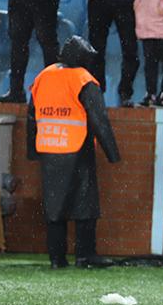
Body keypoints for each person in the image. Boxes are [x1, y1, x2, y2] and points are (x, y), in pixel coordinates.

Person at [26, 36, 121, 269]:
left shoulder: (43, 76)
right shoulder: (83, 79)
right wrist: (112, 153)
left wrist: (32, 150)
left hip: (49, 148)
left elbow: (31, 115)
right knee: (85, 203)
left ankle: (56, 258)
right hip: (78, 149)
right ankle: (85, 255)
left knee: (54, 205)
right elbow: (99, 120)